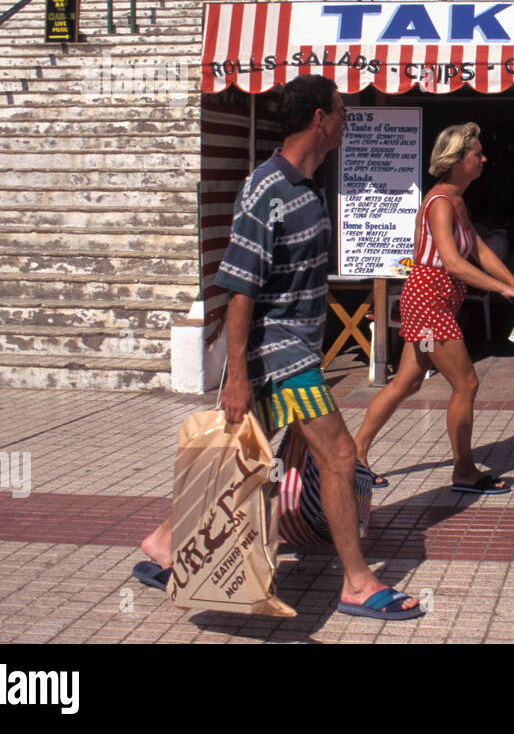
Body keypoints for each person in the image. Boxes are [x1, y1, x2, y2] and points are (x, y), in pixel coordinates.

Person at [132, 74, 422, 620]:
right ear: (318, 117)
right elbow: (238, 289)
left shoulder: (308, 186)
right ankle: (357, 583)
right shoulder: (265, 189)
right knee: (338, 454)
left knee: (245, 457)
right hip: (279, 356)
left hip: (295, 355)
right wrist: (236, 374)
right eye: (340, 110)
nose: (345, 119)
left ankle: (167, 541)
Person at [355, 123, 514, 495]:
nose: (484, 159)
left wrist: (513, 283)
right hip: (429, 303)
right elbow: (452, 261)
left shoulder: (457, 201)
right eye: (476, 154)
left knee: (407, 382)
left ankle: (355, 455)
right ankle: (464, 471)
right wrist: (501, 288)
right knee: (466, 382)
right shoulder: (439, 203)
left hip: (434, 302)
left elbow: (480, 250)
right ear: (456, 161)